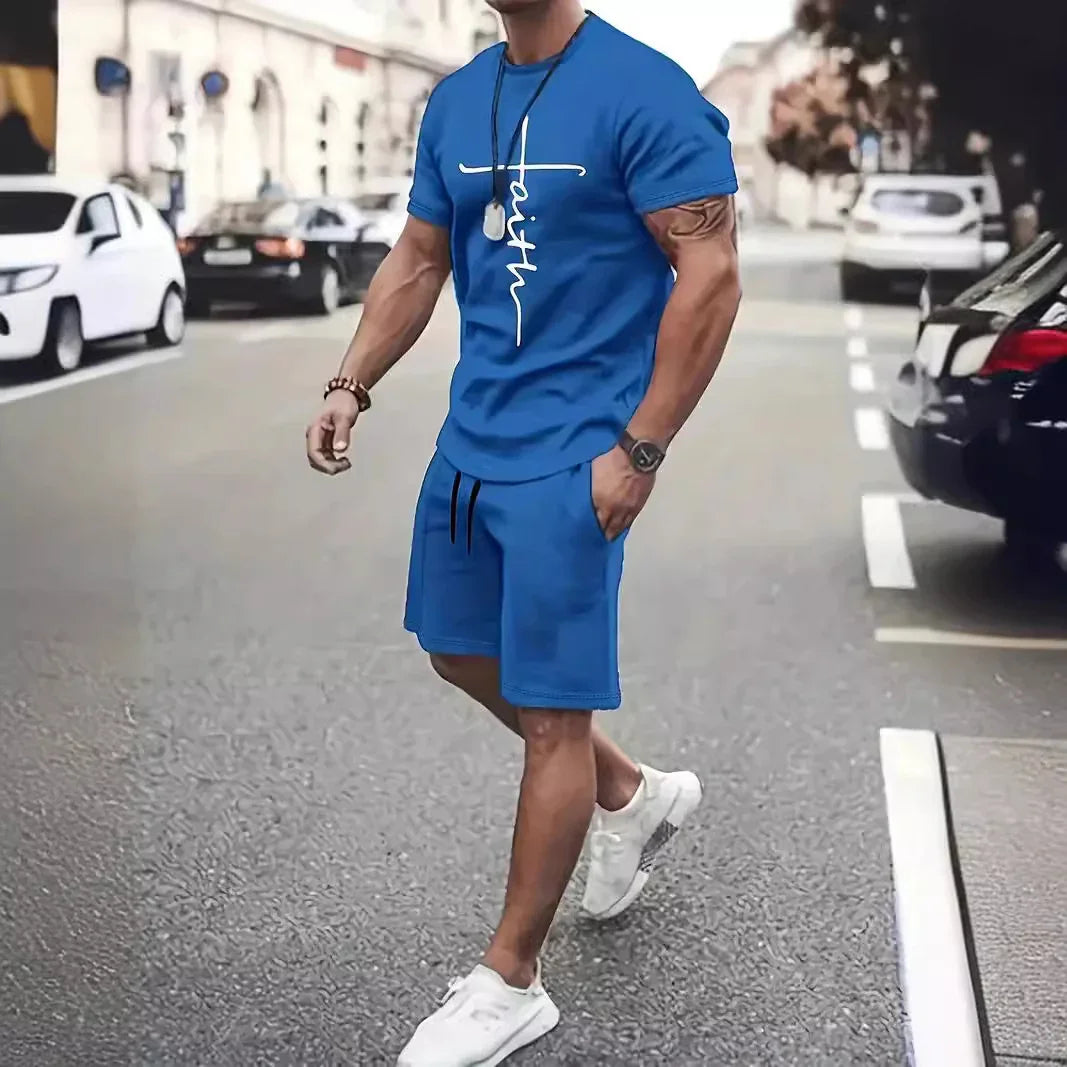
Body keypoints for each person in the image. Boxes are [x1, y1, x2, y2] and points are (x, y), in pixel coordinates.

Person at [306, 1, 741, 1062]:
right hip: (470, 443)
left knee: (552, 715)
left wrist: (639, 447)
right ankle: (628, 793)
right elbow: (419, 257)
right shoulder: (458, 99)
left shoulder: (645, 92)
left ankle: (511, 981)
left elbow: (711, 274)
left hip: (576, 453)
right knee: (455, 649)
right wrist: (351, 380)